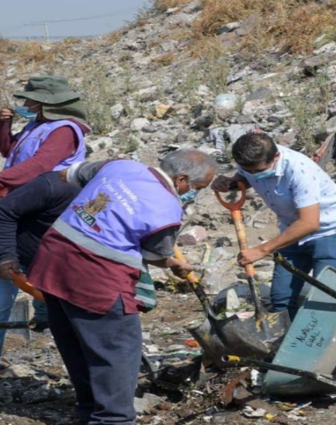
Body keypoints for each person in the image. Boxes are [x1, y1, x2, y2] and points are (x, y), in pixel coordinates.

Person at [28, 149, 216, 424]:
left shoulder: (121, 166)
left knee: (75, 341)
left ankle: (88, 409)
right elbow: (155, 254)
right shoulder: (167, 208)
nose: (194, 194)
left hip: (53, 258)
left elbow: (69, 174)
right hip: (95, 277)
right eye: (197, 188)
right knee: (117, 351)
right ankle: (112, 419)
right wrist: (174, 264)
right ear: (182, 179)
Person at [0, 75, 89, 405]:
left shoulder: (64, 130)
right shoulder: (35, 127)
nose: (24, 105)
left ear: (46, 103)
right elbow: (10, 151)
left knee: (66, 303)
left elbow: (39, 167)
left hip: (46, 222)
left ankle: (92, 386)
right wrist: (3, 126)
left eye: (29, 100)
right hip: (8, 217)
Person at [0, 172, 81, 405]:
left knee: (63, 311)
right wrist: (5, 257)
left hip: (47, 256)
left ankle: (90, 385)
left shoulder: (106, 202)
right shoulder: (56, 185)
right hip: (6, 244)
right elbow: (3, 211)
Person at [211, 133, 336, 318]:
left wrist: (261, 250)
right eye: (249, 170)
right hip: (292, 227)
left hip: (331, 227)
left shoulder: (299, 170)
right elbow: (245, 177)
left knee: (325, 295)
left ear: (276, 157)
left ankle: (330, 339)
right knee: (282, 299)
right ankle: (285, 341)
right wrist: (230, 184)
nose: (255, 176)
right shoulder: (252, 161)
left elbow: (309, 223)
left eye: (259, 171)